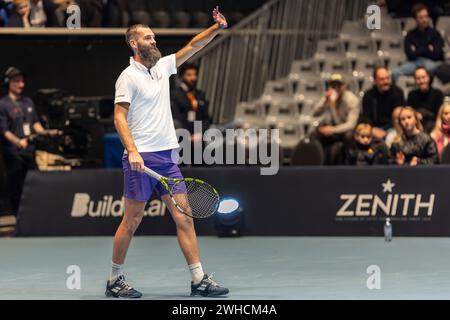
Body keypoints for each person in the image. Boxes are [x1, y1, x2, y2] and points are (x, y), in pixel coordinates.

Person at [107, 7, 229, 298]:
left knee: (184, 217)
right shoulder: (127, 77)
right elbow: (119, 118)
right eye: (147, 37)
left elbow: (193, 46)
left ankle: (198, 279)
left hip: (167, 158)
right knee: (132, 221)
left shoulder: (163, 66)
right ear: (133, 43)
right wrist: (132, 151)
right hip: (141, 159)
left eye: (154, 36)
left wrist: (216, 28)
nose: (153, 40)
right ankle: (114, 279)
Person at [0, 67, 58, 214]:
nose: (21, 85)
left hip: (30, 152)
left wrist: (47, 132)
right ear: (8, 83)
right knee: (16, 186)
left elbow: (35, 124)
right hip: (14, 153)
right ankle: (17, 217)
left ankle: (32, 215)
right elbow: (5, 131)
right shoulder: (3, 104)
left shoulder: (28, 102)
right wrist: (18, 142)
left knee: (33, 183)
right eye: (17, 81)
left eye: (22, 81)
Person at [312, 74, 360, 165]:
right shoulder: (328, 97)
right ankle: (317, 166)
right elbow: (315, 114)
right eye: (333, 85)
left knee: (348, 136)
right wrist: (325, 101)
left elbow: (351, 125)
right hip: (334, 129)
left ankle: (349, 166)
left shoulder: (352, 99)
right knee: (315, 134)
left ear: (344, 86)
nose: (336, 88)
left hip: (347, 130)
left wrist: (332, 130)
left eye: (338, 85)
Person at [392, 3, 444, 82]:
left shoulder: (435, 33)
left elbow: (436, 54)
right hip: (414, 62)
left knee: (433, 69)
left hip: (432, 63)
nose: (424, 20)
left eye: (426, 16)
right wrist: (427, 48)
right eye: (421, 17)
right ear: (415, 19)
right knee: (395, 73)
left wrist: (417, 50)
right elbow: (410, 55)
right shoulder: (410, 35)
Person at [360, 67, 406, 140]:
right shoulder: (368, 95)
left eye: (387, 78)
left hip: (393, 128)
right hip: (374, 128)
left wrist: (386, 131)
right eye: (382, 79)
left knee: (391, 138)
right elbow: (366, 116)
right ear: (375, 81)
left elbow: (400, 115)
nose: (386, 81)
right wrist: (372, 129)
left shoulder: (397, 92)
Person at [171, 63, 210, 141]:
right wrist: (187, 135)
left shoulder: (200, 94)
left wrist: (200, 133)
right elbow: (176, 117)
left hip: (199, 135)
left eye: (195, 74)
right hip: (181, 135)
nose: (193, 78)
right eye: (189, 75)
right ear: (181, 77)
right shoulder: (175, 94)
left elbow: (206, 118)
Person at [407, 67, 444, 132]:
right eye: (418, 78)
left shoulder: (438, 94)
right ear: (415, 80)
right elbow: (408, 113)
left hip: (434, 126)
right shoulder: (411, 94)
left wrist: (423, 114)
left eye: (424, 77)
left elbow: (440, 116)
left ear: (428, 77)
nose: (421, 81)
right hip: (416, 126)